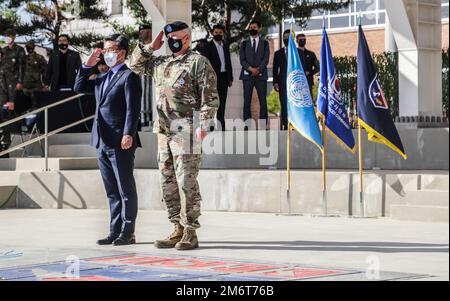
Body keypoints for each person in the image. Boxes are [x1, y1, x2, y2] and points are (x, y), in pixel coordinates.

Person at [129, 21, 219, 251]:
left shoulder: (198, 62)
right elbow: (134, 65)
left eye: (175, 37)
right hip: (163, 131)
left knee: (185, 181)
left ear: (187, 38)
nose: (171, 41)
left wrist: (205, 126)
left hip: (185, 130)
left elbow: (209, 98)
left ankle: (190, 231)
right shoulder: (162, 62)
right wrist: (150, 46)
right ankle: (176, 227)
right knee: (167, 181)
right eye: (169, 38)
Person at [74, 34, 142, 246]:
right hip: (101, 140)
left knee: (125, 189)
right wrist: (87, 65)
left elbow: (133, 109)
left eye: (111, 49)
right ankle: (114, 230)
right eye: (105, 50)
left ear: (122, 52)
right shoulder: (102, 77)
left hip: (120, 140)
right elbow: (78, 87)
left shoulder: (129, 77)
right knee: (111, 190)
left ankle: (128, 231)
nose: (107, 54)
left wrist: (128, 133)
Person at [239, 20, 270, 127]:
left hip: (261, 76)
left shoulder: (265, 43)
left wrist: (258, 69)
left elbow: (266, 59)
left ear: (259, 28)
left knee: (263, 101)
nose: (252, 29)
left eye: (255, 27)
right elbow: (242, 60)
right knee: (246, 101)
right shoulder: (243, 43)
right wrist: (251, 69)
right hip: (247, 76)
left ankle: (262, 126)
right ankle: (247, 126)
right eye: (251, 27)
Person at [203, 24, 233, 131]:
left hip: (224, 78)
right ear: (212, 33)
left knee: (222, 104)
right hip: (212, 79)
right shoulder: (207, 46)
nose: (218, 35)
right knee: (211, 104)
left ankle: (221, 127)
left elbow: (228, 62)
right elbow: (205, 64)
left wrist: (230, 78)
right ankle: (210, 128)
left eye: (220, 33)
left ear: (223, 33)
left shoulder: (225, 46)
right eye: (216, 33)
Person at [273, 30, 300, 130]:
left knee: (295, 104)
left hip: (295, 84)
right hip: (283, 83)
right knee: (284, 104)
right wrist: (275, 82)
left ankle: (296, 125)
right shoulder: (278, 53)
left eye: (288, 37)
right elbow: (275, 69)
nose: (286, 39)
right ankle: (285, 125)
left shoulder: (297, 52)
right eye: (284, 37)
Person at [0, 28, 26, 112]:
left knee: (13, 102)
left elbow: (22, 66)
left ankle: (14, 121)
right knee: (4, 102)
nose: (7, 37)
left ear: (14, 37)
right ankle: (5, 120)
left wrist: (20, 81)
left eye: (9, 35)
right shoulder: (3, 50)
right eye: (6, 36)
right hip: (3, 81)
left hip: (14, 81)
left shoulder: (19, 50)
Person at [23, 40, 48, 108]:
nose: (28, 48)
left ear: (33, 47)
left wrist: (46, 84)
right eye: (27, 47)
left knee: (36, 107)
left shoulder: (39, 58)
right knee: (25, 107)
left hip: (36, 87)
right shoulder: (24, 58)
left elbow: (45, 71)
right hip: (25, 87)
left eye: (30, 47)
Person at [296, 33, 320, 98]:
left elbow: (317, 67)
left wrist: (310, 72)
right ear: (297, 41)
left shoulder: (311, 54)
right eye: (300, 39)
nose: (302, 41)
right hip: (297, 83)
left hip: (308, 82)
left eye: (304, 39)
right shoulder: (294, 54)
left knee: (309, 100)